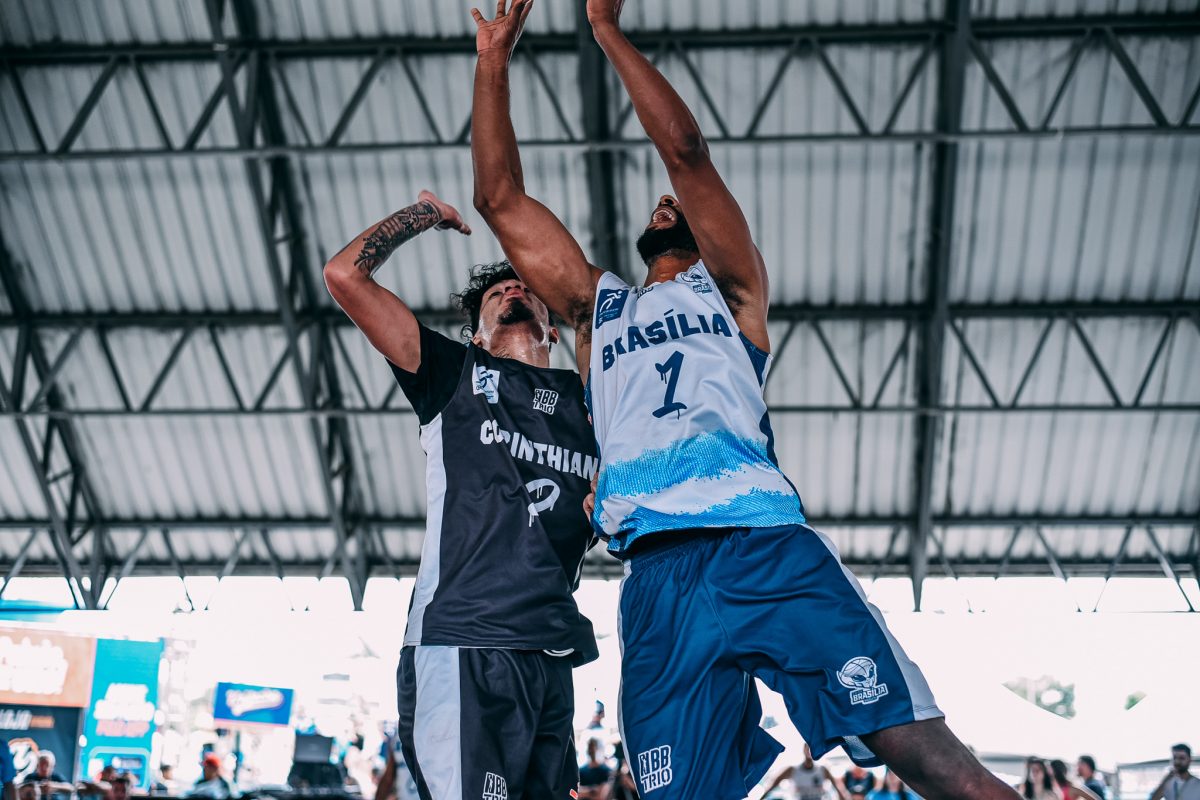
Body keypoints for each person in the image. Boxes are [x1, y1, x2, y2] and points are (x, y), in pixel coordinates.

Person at [469, 2, 1022, 799]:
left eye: (679, 205)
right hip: (656, 580)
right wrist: (493, 61)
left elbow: (686, 153)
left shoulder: (732, 293)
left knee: (931, 760)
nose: (666, 203)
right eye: (659, 204)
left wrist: (607, 33)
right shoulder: (597, 310)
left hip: (762, 548)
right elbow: (499, 200)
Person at [324, 187, 599, 800]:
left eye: (524, 288)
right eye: (496, 294)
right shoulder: (454, 375)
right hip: (464, 639)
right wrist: (425, 214)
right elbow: (344, 276)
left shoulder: (596, 408)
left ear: (554, 328)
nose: (511, 290)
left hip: (553, 653)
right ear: (475, 336)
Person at [758, 744, 847, 800]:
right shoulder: (792, 770)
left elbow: (839, 789)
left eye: (812, 748)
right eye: (807, 748)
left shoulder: (823, 770)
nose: (810, 751)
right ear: (803, 750)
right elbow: (772, 786)